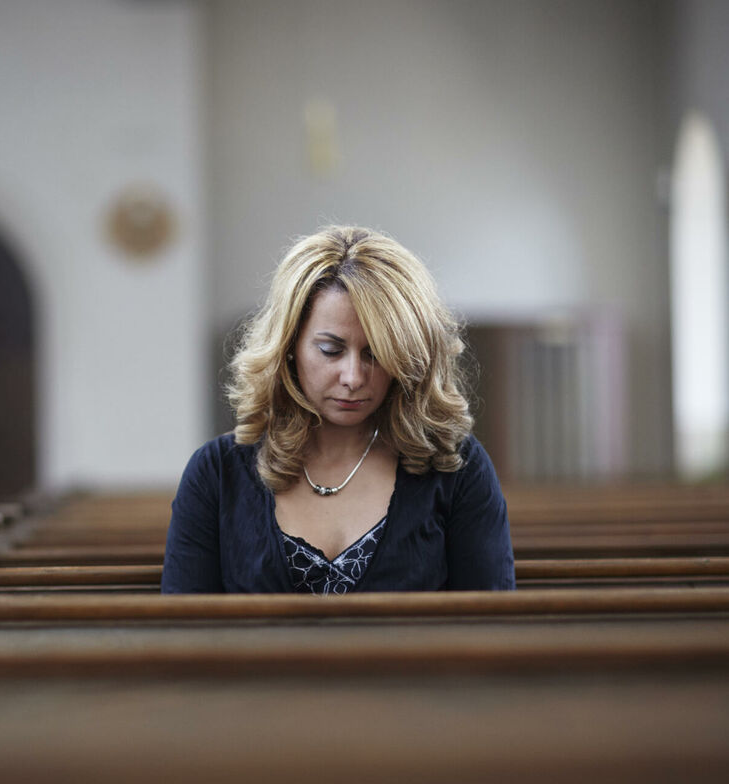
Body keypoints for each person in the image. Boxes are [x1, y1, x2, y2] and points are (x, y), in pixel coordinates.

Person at [162, 225, 514, 593]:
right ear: (289, 347)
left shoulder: (455, 467)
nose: (353, 377)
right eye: (330, 350)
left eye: (375, 354)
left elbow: (493, 626)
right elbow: (183, 633)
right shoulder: (218, 473)